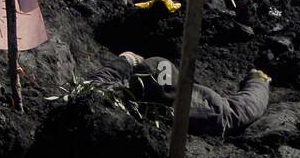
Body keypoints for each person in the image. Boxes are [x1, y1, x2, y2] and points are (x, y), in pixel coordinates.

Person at [91, 53, 271, 136]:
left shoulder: (124, 99)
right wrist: (258, 80)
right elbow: (248, 106)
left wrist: (126, 60)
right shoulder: (205, 111)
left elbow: (96, 85)